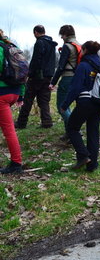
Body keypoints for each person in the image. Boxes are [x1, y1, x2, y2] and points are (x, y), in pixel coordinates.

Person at [61, 41, 100, 172]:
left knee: (72, 128)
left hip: (85, 103)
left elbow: (75, 88)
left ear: (85, 50)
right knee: (93, 132)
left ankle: (83, 156)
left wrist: (65, 105)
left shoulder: (83, 66)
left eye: (81, 49)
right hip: (99, 103)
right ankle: (92, 165)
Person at [16, 25, 57, 129]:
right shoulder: (51, 44)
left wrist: (30, 74)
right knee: (44, 100)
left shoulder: (39, 42)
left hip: (37, 76)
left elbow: (36, 60)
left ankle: (21, 123)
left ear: (35, 32)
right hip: (48, 76)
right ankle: (47, 122)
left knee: (28, 100)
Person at [49, 25, 81, 140]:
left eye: (62, 34)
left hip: (67, 78)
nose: (61, 37)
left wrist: (53, 82)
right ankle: (69, 133)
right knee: (67, 106)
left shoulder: (67, 46)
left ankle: (74, 131)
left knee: (61, 106)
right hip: (77, 78)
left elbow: (60, 66)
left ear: (66, 34)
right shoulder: (78, 45)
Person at [0, 30, 25, 174]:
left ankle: (16, 163)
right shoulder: (11, 47)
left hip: (2, 94)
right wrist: (20, 95)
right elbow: (22, 74)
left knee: (9, 130)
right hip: (14, 92)